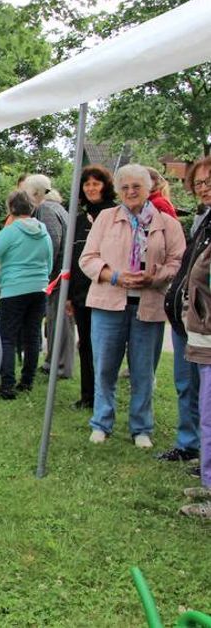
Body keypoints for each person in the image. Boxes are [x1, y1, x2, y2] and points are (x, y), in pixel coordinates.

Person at [79, 163, 185, 448]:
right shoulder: (105, 218)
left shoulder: (166, 223)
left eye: (136, 187)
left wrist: (156, 276)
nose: (130, 192)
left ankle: (141, 428)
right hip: (108, 303)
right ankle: (101, 423)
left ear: (148, 190)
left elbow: (178, 261)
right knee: (104, 368)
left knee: (143, 371)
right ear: (118, 190)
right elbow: (87, 259)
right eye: (124, 187)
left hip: (148, 306)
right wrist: (113, 275)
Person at [0, 191, 52, 400]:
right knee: (32, 336)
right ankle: (27, 381)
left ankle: (7, 385)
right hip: (39, 287)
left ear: (11, 209)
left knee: (7, 337)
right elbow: (49, 262)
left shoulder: (11, 231)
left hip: (14, 288)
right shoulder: (44, 231)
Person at [67, 165, 118, 409]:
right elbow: (71, 257)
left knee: (105, 346)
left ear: (105, 186)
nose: (91, 188)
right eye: (87, 184)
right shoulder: (78, 219)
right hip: (80, 293)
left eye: (96, 183)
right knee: (85, 344)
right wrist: (68, 295)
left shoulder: (115, 215)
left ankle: (104, 396)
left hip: (107, 291)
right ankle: (88, 396)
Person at [22, 174, 75, 380]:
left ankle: (59, 365)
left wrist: (45, 274)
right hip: (62, 273)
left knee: (59, 320)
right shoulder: (56, 207)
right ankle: (55, 362)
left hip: (58, 276)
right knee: (57, 320)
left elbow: (53, 243)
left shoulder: (46, 209)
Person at [182, 155, 211, 518]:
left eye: (209, 181)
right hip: (203, 334)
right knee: (206, 411)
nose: (203, 188)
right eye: (199, 183)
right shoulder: (205, 221)